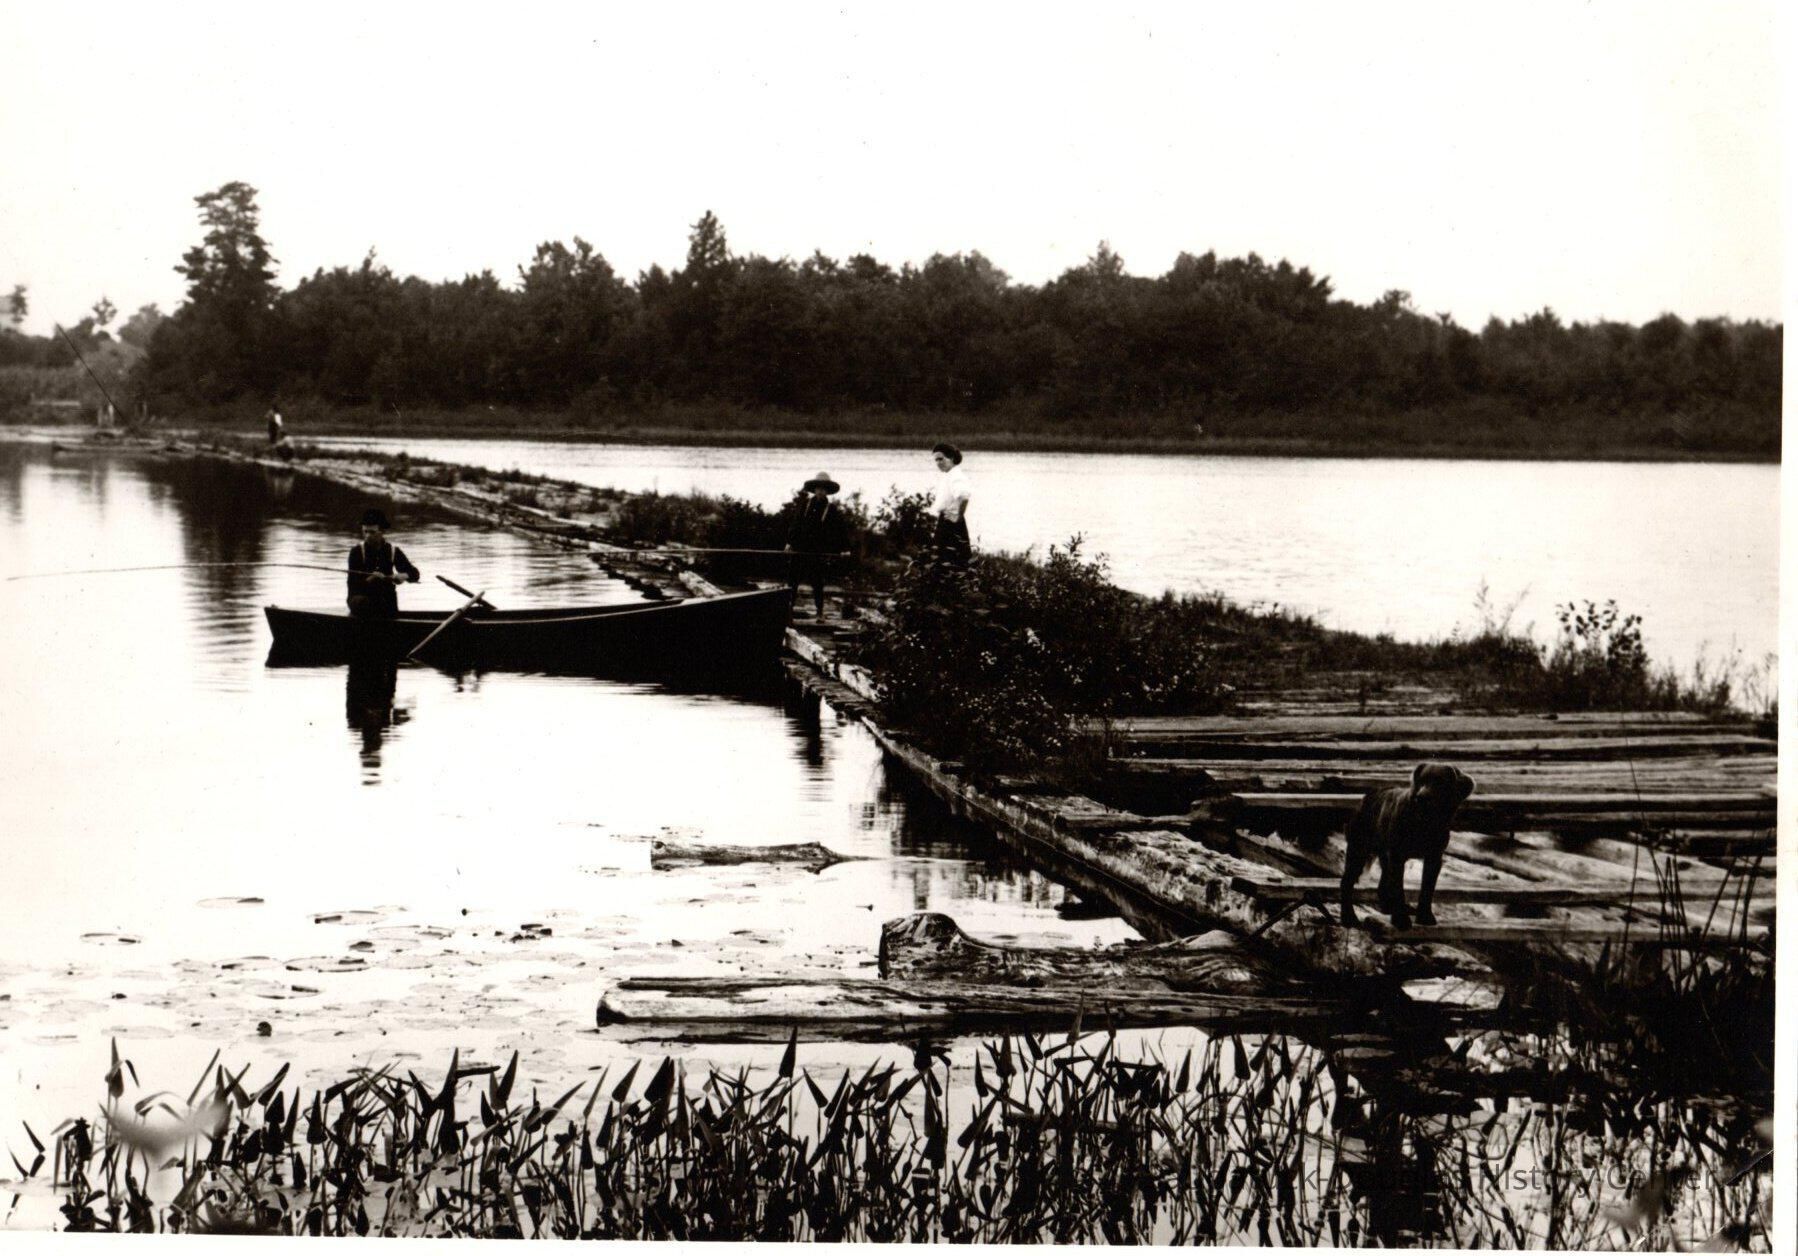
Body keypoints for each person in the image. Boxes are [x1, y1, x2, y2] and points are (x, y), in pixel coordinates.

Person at [784, 471, 848, 617]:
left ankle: (819, 612)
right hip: (800, 548)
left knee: (817, 582)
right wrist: (789, 543)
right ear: (814, 490)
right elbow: (796, 525)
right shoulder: (805, 505)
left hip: (817, 550)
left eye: (824, 489)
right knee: (793, 581)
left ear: (827, 491)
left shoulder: (830, 509)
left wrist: (844, 548)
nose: (820, 491)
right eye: (818, 488)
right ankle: (789, 611)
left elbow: (839, 530)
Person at [346, 508, 420, 618]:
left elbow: (415, 574)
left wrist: (404, 576)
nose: (367, 536)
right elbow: (353, 585)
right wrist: (370, 579)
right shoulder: (356, 552)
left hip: (385, 602)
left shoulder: (393, 551)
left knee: (386, 603)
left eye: (372, 532)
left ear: (382, 532)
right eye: (365, 532)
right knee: (364, 602)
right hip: (361, 600)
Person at [929, 442, 971, 569]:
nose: (938, 463)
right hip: (945, 520)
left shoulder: (956, 475)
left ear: (951, 458)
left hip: (951, 522)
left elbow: (964, 496)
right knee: (943, 558)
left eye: (941, 459)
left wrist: (958, 516)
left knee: (953, 559)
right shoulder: (949, 475)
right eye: (936, 460)